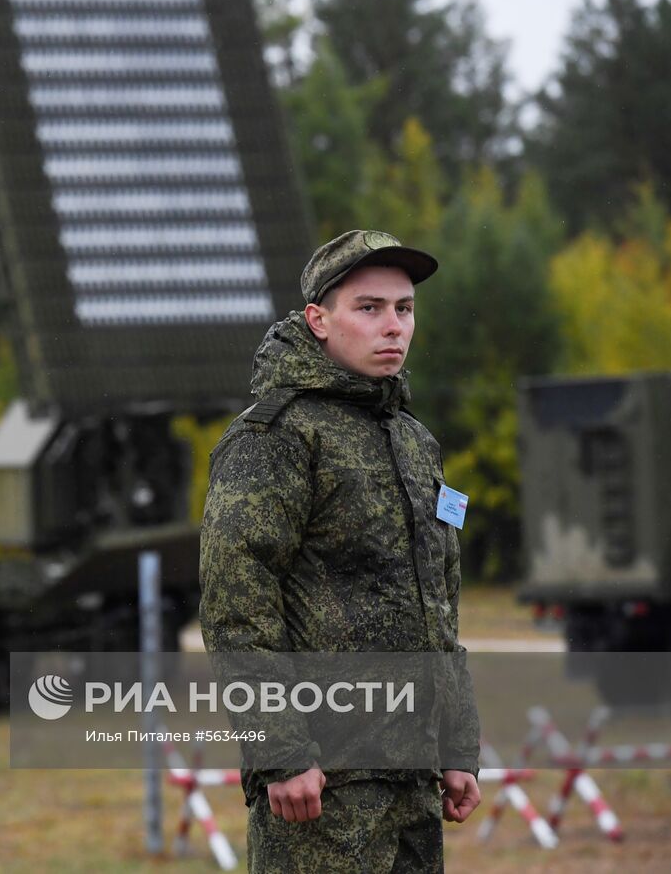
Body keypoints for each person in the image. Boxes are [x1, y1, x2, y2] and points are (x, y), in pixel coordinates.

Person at [199, 229, 481, 872]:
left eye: (404, 309)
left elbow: (440, 607)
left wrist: (458, 742)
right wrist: (280, 752)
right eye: (369, 307)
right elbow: (237, 605)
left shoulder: (414, 442)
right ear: (318, 321)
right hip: (325, 783)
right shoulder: (275, 437)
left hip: (411, 775)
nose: (393, 327)